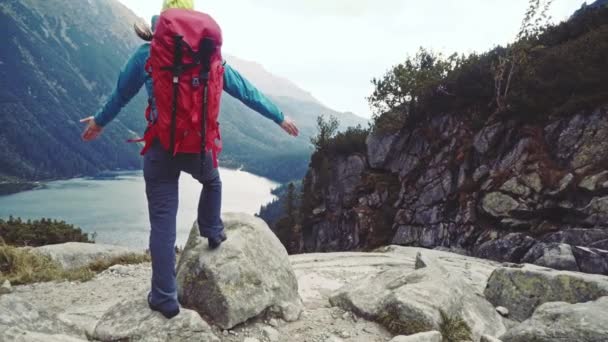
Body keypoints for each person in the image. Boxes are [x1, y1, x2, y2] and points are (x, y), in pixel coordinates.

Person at [80, 0, 299, 319]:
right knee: (212, 181)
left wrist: (99, 122)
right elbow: (247, 92)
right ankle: (212, 229)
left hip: (159, 150)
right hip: (198, 149)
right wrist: (279, 117)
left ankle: (164, 297)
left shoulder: (149, 53)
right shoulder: (210, 57)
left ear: (164, 18)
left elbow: (121, 94)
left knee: (163, 222)